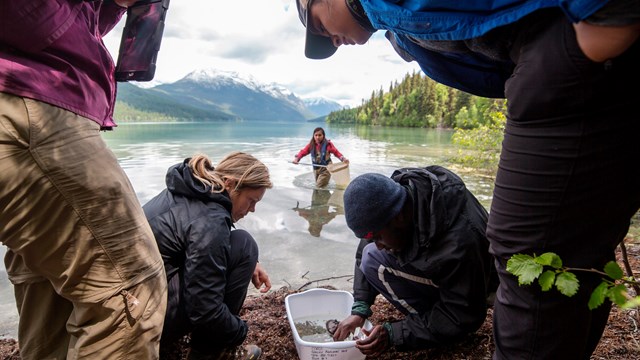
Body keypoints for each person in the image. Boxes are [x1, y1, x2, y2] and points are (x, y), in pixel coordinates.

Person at [295, 0, 640, 358]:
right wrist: (360, 309)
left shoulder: (456, 239)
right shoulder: (395, 28)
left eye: (320, 27)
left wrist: (603, 10)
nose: (332, 41)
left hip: (566, 62)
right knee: (583, 253)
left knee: (526, 256)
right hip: (559, 64)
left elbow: (465, 314)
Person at [0, 1, 168, 359]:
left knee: (51, 286)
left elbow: (70, 23)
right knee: (131, 290)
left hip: (28, 105)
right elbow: (33, 20)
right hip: (27, 103)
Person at [335, 167, 498, 356]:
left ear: (398, 218)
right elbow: (369, 241)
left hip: (477, 290)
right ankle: (429, 321)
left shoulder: (460, 242)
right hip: (441, 271)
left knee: (374, 259)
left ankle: (437, 327)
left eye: (378, 237)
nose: (377, 244)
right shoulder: (397, 201)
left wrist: (395, 334)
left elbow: (463, 313)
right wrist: (360, 307)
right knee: (370, 257)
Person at [143, 152, 273, 360]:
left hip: (136, 306)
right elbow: (205, 308)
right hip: (149, 322)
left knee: (239, 245)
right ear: (230, 184)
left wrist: (251, 264)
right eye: (251, 201)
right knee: (245, 245)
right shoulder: (211, 220)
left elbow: (199, 241)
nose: (253, 210)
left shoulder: (190, 188)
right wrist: (240, 331)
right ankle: (210, 352)